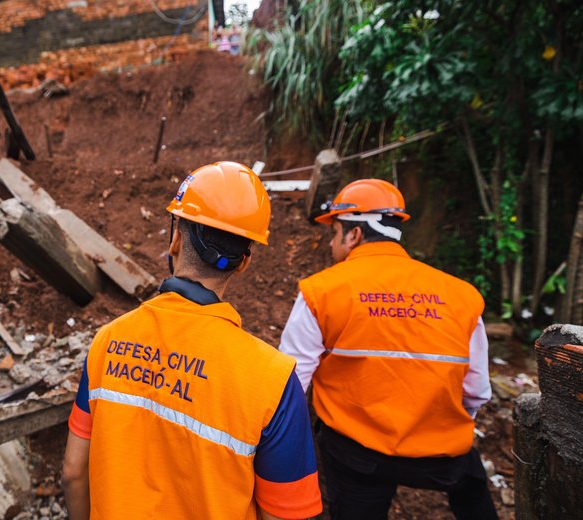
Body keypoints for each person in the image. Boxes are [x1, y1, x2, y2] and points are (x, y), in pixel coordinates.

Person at [62, 162, 322, 519]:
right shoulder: (273, 381)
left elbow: (74, 473)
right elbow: (287, 513)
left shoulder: (107, 342)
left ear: (176, 239)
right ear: (243, 262)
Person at [279, 178, 498, 519]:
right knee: (473, 492)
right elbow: (477, 391)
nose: (332, 244)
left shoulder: (320, 292)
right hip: (442, 454)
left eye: (334, 233)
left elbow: (291, 385)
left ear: (354, 235)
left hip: (357, 454)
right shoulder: (462, 296)